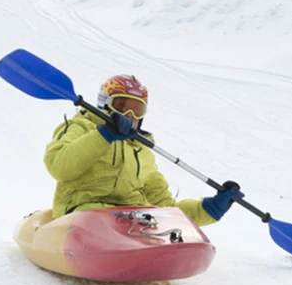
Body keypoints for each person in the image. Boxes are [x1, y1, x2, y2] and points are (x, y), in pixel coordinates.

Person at [43, 74, 242, 224]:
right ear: (104, 104)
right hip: (83, 214)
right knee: (111, 220)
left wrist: (207, 209)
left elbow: (165, 208)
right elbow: (59, 166)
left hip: (130, 219)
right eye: (122, 106)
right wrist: (104, 135)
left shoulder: (141, 150)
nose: (129, 115)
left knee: (155, 220)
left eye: (137, 110)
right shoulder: (82, 127)